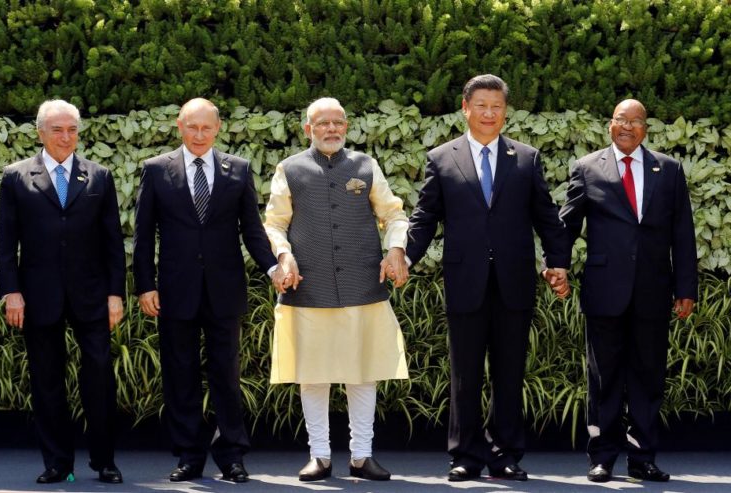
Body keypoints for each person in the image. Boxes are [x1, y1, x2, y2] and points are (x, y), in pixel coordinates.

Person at [405, 74, 569, 482]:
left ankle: (505, 455)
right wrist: (404, 257)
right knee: (465, 375)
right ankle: (465, 455)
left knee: (509, 374)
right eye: (481, 105)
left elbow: (547, 218)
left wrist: (558, 262)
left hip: (514, 281)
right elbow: (425, 217)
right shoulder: (441, 158)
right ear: (466, 108)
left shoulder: (526, 158)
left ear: (505, 112)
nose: (489, 113)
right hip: (465, 281)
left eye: (497, 106)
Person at [133, 98, 281, 483]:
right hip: (174, 291)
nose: (199, 135)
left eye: (206, 128)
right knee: (179, 375)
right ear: (179, 126)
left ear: (218, 129)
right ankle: (189, 456)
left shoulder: (239, 169)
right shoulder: (156, 169)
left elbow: (252, 230)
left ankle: (232, 456)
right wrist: (145, 285)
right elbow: (143, 235)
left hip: (223, 290)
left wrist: (273, 267)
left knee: (226, 376)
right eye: (192, 127)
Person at [264, 97, 410, 482]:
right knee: (313, 375)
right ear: (307, 129)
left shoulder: (366, 165)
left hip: (363, 285)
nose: (331, 129)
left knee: (363, 373)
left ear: (346, 126)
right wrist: (284, 256)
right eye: (323, 123)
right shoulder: (289, 169)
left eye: (338, 122)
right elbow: (274, 223)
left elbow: (394, 214)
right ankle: (320, 456)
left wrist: (396, 249)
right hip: (308, 287)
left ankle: (362, 456)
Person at [558, 99, 697, 483]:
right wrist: (556, 264)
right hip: (605, 290)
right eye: (622, 119)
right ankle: (601, 457)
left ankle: (642, 458)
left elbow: (682, 232)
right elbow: (567, 224)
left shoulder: (668, 170)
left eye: (636, 121)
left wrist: (686, 286)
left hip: (653, 290)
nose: (628, 126)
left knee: (647, 377)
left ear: (645, 129)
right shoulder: (587, 168)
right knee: (603, 378)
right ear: (610, 124)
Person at [0, 99, 125, 484]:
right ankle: (57, 463)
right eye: (57, 130)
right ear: (40, 132)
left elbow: (113, 242)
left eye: (72, 130)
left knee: (99, 376)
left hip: (92, 294)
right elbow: (6, 242)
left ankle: (105, 461)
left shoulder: (99, 176)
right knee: (47, 379)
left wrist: (115, 293)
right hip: (38, 295)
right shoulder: (16, 177)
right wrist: (11, 292)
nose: (66, 137)